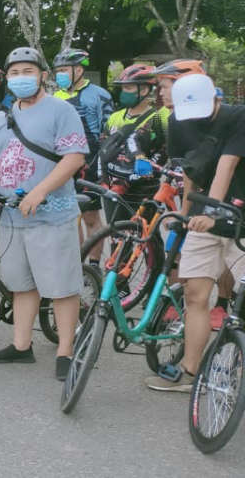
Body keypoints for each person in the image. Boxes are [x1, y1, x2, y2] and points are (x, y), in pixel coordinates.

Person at [0, 46, 87, 380]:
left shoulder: (61, 111)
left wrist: (41, 190)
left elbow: (74, 157)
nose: (21, 78)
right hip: (9, 215)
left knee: (62, 285)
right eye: (15, 73)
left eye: (28, 71)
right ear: (6, 79)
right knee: (21, 285)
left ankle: (66, 350)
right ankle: (21, 346)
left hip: (52, 214)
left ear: (43, 76)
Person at [143, 73, 245, 392]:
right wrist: (186, 215)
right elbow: (190, 169)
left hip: (239, 214)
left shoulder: (237, 117)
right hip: (204, 214)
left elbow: (226, 168)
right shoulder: (178, 120)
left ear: (215, 98)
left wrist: (212, 211)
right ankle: (191, 370)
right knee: (195, 294)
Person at [53, 48, 114, 243]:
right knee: (70, 218)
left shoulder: (99, 94)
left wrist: (101, 166)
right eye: (58, 70)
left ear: (78, 70)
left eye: (64, 69)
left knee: (90, 216)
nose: (59, 74)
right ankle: (77, 263)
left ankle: (94, 264)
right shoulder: (55, 97)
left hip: (90, 161)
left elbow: (108, 131)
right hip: (63, 160)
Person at [98, 64, 170, 226]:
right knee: (116, 236)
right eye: (123, 88)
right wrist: (103, 180)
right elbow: (103, 150)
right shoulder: (115, 117)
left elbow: (163, 154)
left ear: (144, 90)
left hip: (143, 190)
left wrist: (132, 179)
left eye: (128, 88)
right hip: (113, 188)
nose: (124, 93)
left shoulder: (159, 117)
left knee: (147, 238)